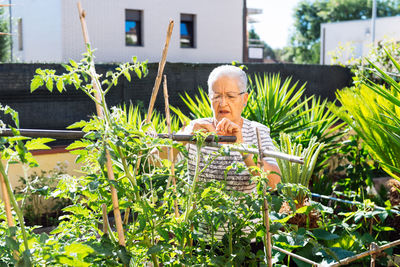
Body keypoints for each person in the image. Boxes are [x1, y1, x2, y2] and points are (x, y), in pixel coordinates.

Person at [181, 65, 281, 193]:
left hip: (244, 213)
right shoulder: (197, 129)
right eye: (216, 96)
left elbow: (274, 183)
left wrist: (243, 148)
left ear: (244, 99)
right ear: (209, 98)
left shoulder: (257, 132)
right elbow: (155, 162)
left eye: (230, 96)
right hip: (198, 213)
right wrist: (184, 136)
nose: (222, 103)